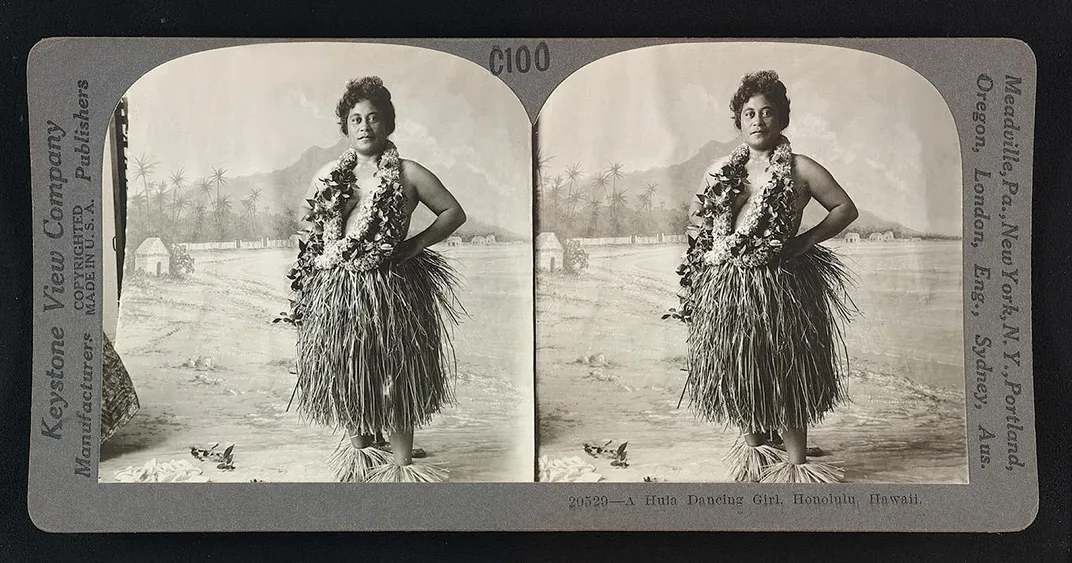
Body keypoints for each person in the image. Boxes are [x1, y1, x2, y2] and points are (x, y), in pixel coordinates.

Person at [678, 70, 858, 483]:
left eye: (767, 112)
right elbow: (695, 217)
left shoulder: (800, 168)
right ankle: (757, 454)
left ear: (782, 119)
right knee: (743, 368)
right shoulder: (722, 170)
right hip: (729, 286)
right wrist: (710, 250)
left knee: (786, 368)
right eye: (748, 114)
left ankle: (796, 468)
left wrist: (806, 241)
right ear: (739, 122)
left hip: (781, 283)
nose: (758, 121)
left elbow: (845, 209)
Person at [285, 76, 466, 482]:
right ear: (346, 128)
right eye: (355, 119)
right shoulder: (329, 175)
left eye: (373, 118)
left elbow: (453, 213)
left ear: (388, 124)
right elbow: (310, 228)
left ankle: (402, 470)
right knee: (349, 371)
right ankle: (362, 457)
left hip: (392, 287)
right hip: (339, 292)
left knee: (397, 373)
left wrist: (416, 245)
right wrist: (317, 267)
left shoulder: (408, 172)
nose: (364, 126)